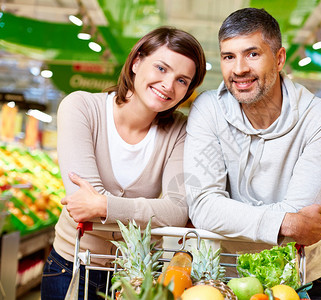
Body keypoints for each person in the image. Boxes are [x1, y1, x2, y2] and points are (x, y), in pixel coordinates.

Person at [184, 8, 321, 300]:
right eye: (228, 57)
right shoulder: (207, 108)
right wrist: (285, 222)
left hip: (297, 279)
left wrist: (230, 215)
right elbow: (203, 207)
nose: (239, 69)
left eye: (252, 54)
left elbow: (303, 215)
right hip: (220, 276)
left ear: (280, 58)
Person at [41, 26, 206, 299]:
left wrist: (104, 205)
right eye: (161, 68)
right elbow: (82, 206)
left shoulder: (180, 130)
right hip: (72, 267)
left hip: (136, 277)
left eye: (182, 80)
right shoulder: (81, 108)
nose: (168, 85)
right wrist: (145, 213)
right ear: (137, 61)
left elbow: (177, 210)